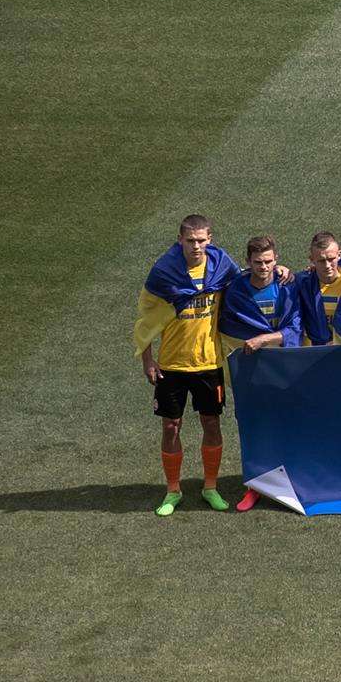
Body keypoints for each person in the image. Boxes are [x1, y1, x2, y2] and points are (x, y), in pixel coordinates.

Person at [133, 215, 239, 516]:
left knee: (211, 423)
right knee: (171, 426)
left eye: (202, 240)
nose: (196, 246)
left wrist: (283, 272)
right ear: (179, 240)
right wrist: (147, 359)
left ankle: (210, 487)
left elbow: (246, 285)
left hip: (208, 363)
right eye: (190, 241)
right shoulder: (164, 272)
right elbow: (147, 317)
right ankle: (173, 490)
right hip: (171, 366)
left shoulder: (221, 267)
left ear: (210, 239)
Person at [215, 235, 302, 512]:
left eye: (268, 261)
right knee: (252, 426)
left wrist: (265, 339)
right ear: (247, 262)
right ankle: (254, 486)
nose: (263, 267)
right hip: (250, 371)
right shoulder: (236, 291)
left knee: (287, 423)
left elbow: (297, 327)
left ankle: (293, 478)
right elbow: (229, 325)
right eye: (257, 262)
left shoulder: (288, 286)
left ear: (276, 260)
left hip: (285, 369)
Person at [293, 231, 341, 346]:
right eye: (321, 261)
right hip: (313, 351)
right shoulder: (302, 283)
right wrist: (279, 269)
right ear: (312, 259)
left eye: (331, 259)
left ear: (339, 255)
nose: (327, 265)